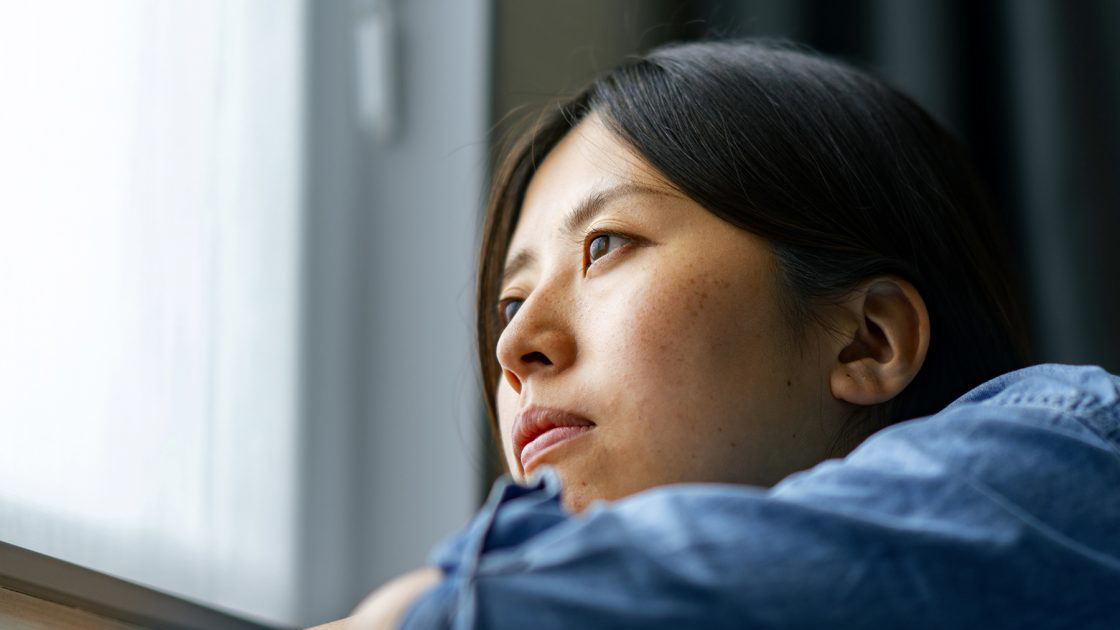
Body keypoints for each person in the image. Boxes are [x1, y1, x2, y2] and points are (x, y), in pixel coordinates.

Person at [326, 41, 1120, 629]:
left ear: (867, 340)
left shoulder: (1075, 453)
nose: (515, 347)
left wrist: (416, 611)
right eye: (508, 303)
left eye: (604, 245)